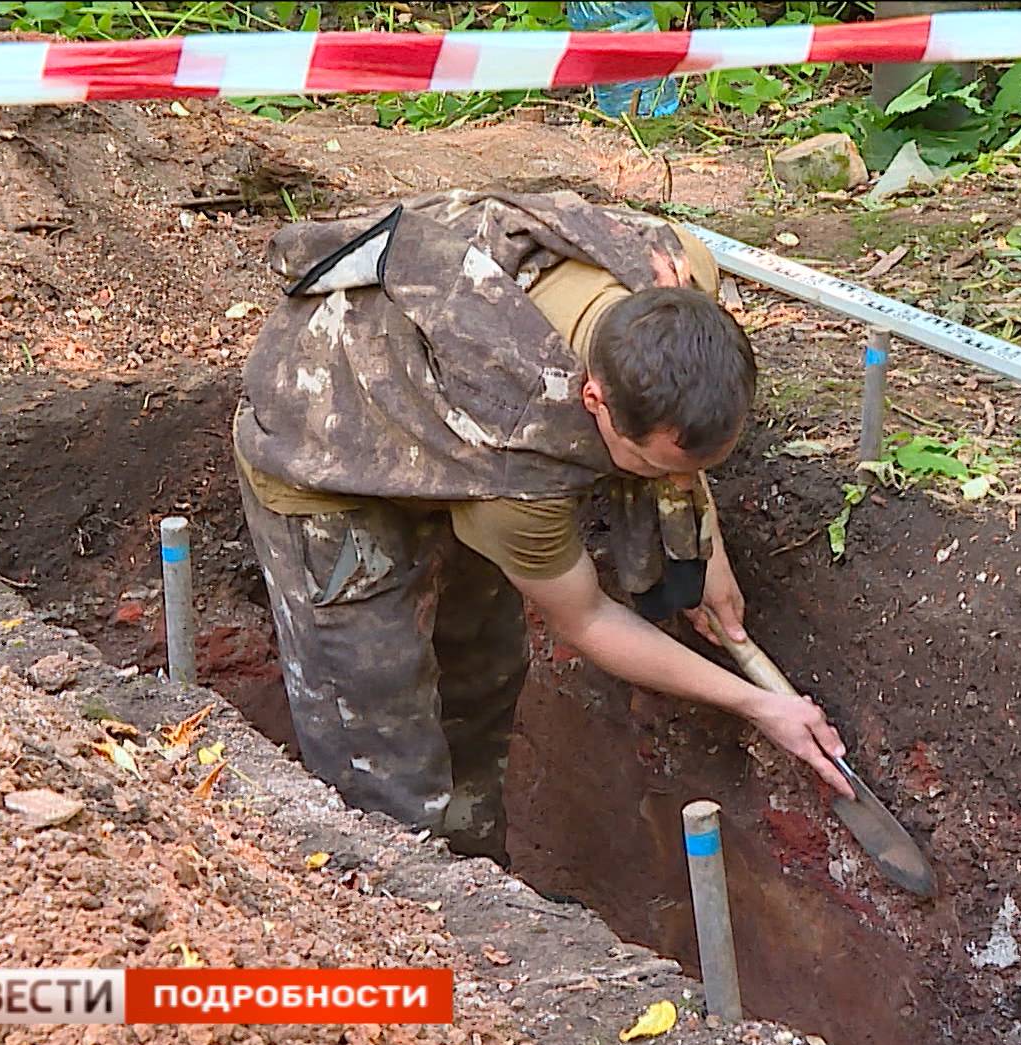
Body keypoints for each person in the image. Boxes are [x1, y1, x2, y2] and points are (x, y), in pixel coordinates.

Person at [231, 189, 851, 862]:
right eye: (650, 464)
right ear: (596, 401)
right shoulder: (517, 456)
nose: (668, 475)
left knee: (484, 676)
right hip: (327, 444)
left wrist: (704, 546)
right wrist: (760, 706)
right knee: (384, 765)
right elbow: (584, 618)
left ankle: (483, 893)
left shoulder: (677, 276)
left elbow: (679, 444)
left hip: (450, 415)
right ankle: (406, 918)